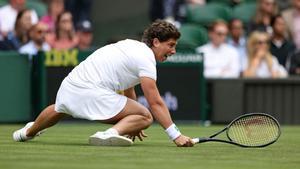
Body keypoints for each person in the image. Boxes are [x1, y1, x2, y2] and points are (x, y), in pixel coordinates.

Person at [12, 20, 195, 147]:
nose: (173, 51)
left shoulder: (130, 46)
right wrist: (176, 135)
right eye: (170, 45)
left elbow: (128, 86)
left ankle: (26, 133)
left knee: (60, 108)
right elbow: (155, 102)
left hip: (71, 83)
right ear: (156, 42)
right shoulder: (146, 59)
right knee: (146, 116)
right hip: (92, 91)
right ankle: (108, 134)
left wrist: (132, 121)